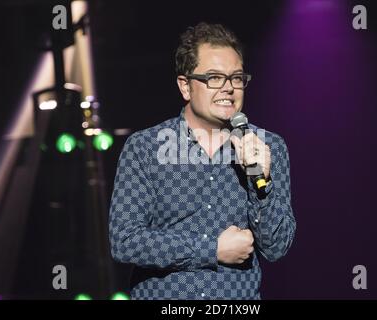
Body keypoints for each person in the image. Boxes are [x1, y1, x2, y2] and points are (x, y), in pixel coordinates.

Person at [108, 22, 296, 300]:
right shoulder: (145, 147)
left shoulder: (269, 147)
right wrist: (212, 249)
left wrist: (261, 182)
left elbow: (276, 247)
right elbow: (124, 241)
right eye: (214, 78)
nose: (229, 88)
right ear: (185, 87)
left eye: (236, 78)